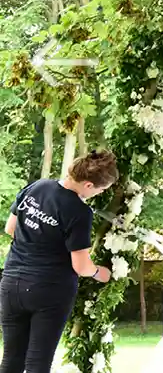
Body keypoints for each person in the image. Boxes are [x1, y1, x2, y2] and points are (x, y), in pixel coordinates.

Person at [2, 149, 118, 373]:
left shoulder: (37, 186)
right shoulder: (78, 211)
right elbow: (81, 266)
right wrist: (100, 273)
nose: (98, 194)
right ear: (88, 185)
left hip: (12, 283)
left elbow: (10, 228)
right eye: (101, 189)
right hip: (49, 289)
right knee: (38, 362)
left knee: (12, 359)